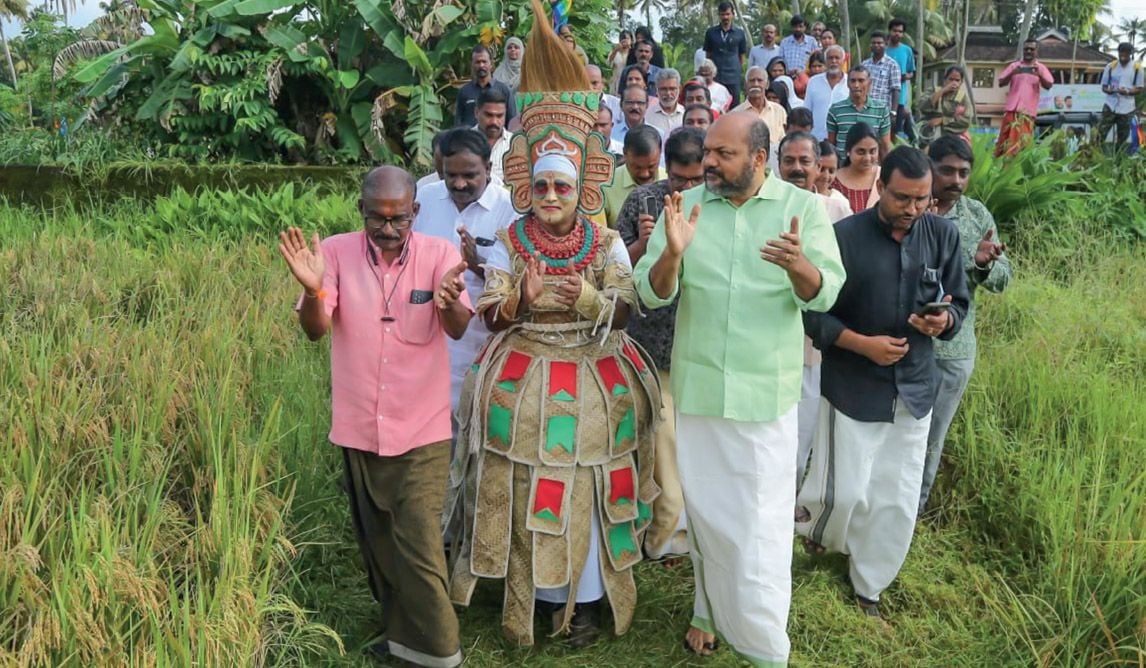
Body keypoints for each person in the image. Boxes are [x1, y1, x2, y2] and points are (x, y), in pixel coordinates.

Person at [445, 7, 660, 648]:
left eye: (561, 186)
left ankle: (588, 602)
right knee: (524, 475)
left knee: (589, 480)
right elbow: (492, 310)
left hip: (596, 368)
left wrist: (592, 297)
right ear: (527, 185)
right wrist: (520, 299)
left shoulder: (606, 239)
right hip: (522, 366)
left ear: (580, 188)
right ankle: (536, 598)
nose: (550, 195)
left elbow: (626, 310)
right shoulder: (512, 238)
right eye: (539, 184)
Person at [633, 110, 845, 667]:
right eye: (706, 152)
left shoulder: (803, 210)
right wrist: (673, 255)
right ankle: (707, 610)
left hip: (765, 397)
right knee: (707, 515)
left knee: (761, 525)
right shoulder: (686, 209)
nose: (707, 162)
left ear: (757, 157)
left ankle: (764, 643)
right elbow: (650, 294)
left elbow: (824, 296)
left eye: (721, 154)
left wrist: (800, 266)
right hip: (699, 389)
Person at [279, 165, 471, 668]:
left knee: (421, 544)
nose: (388, 230)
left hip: (423, 429)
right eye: (377, 219)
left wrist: (449, 303)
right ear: (361, 211)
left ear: (416, 213)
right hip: (361, 424)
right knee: (378, 543)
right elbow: (317, 330)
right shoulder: (337, 253)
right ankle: (404, 641)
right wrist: (315, 289)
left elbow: (455, 328)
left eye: (399, 219)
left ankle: (443, 652)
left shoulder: (439, 255)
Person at [797, 146, 970, 625]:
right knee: (845, 491)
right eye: (902, 199)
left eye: (922, 200)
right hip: (854, 384)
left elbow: (961, 303)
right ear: (879, 187)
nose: (913, 209)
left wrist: (943, 322)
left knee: (895, 496)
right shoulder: (843, 238)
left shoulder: (943, 235)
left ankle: (869, 584)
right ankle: (820, 533)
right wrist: (861, 344)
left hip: (915, 389)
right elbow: (813, 314)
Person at [615, 128, 707, 560]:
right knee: (661, 452)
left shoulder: (718, 207)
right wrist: (642, 241)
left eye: (696, 179)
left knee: (694, 454)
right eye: (679, 180)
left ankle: (682, 536)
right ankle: (660, 539)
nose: (687, 189)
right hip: (651, 349)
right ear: (666, 170)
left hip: (704, 350)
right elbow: (616, 270)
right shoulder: (642, 202)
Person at [919, 136, 1011, 513]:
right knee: (892, 435)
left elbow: (1004, 279)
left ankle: (913, 514)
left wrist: (983, 265)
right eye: (947, 171)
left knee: (930, 440)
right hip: (901, 344)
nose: (955, 180)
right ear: (930, 168)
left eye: (963, 173)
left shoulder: (976, 216)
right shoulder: (911, 207)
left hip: (952, 352)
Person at [415, 127, 518, 414]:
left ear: (487, 168)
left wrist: (475, 264)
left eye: (469, 175)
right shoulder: (425, 199)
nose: (459, 184)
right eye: (451, 176)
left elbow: (516, 287)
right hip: (425, 342)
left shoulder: (509, 209)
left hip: (481, 344)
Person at [776, 132, 851, 492]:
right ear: (777, 165)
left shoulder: (837, 211)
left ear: (819, 167)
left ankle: (788, 501)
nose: (796, 168)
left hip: (813, 346)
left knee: (803, 430)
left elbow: (841, 278)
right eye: (788, 161)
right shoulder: (768, 208)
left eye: (804, 161)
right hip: (772, 339)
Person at [994, 39, 1053, 158]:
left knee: (1021, 144)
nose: (1029, 51)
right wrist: (1013, 73)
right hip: (1011, 110)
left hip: (1026, 113)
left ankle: (1015, 169)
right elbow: (1001, 82)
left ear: (1037, 51)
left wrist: (1039, 75)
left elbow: (1049, 85)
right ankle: (1000, 170)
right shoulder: (1014, 66)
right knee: (1004, 142)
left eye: (1032, 49)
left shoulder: (1040, 68)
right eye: (1026, 49)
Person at [604, 124, 666, 228]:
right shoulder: (606, 185)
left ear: (660, 153)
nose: (645, 174)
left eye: (651, 166)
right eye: (637, 167)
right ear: (624, 153)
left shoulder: (671, 180)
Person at [827, 65, 892, 160]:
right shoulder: (835, 110)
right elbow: (831, 145)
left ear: (869, 83)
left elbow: (885, 146)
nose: (856, 85)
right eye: (853, 81)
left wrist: (885, 172)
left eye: (861, 81)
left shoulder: (881, 110)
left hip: (870, 167)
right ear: (848, 84)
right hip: (843, 168)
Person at [1096, 43, 1144, 152]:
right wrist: (1112, 90)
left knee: (1122, 137)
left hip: (1127, 108)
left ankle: (1118, 161)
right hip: (1110, 105)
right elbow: (1104, 87)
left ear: (1130, 54)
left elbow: (1139, 88)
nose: (1123, 56)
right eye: (1122, 53)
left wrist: (1127, 91)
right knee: (1100, 134)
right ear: (1118, 53)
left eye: (1126, 54)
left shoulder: (1137, 68)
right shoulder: (1110, 67)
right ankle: (1098, 157)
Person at [457, 45, 517, 128]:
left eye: (484, 62)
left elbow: (512, 123)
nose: (481, 65)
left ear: (491, 64)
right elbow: (458, 123)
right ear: (471, 64)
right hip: (470, 139)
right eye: (477, 62)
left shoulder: (504, 90)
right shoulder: (464, 92)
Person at [704, 1, 749, 103]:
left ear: (733, 14)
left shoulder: (740, 33)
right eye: (723, 14)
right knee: (715, 104)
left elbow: (742, 56)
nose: (725, 17)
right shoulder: (711, 32)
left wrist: (737, 70)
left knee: (734, 106)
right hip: (716, 77)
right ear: (719, 15)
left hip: (733, 77)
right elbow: (708, 56)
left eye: (728, 14)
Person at [832, 122, 882, 214]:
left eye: (872, 151)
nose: (867, 158)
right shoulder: (833, 181)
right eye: (861, 152)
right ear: (848, 151)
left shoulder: (884, 177)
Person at [918, 65, 973, 146]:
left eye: (957, 80)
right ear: (945, 80)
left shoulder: (962, 98)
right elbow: (922, 106)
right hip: (929, 134)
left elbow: (966, 121)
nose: (954, 82)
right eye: (951, 79)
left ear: (961, 82)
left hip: (951, 137)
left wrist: (943, 120)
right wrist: (943, 91)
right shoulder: (933, 90)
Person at [805, 45, 849, 140]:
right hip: (817, 137)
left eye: (837, 58)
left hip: (843, 138)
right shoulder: (813, 81)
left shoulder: (850, 82)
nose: (833, 61)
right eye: (830, 58)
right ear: (825, 61)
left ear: (843, 61)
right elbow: (807, 110)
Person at [860, 31, 901, 129]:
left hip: (882, 111)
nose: (876, 45)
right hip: (865, 109)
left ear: (886, 45)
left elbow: (896, 90)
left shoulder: (892, 65)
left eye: (879, 43)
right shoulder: (864, 65)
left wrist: (893, 112)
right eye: (873, 43)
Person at [885, 19, 916, 142]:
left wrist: (903, 77)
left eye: (900, 31)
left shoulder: (907, 50)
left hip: (899, 98)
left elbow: (911, 72)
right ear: (890, 31)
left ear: (903, 34)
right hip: (883, 96)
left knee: (895, 130)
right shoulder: (883, 49)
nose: (897, 34)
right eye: (894, 31)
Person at [474, 87, 512, 183]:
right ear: (477, 112)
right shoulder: (462, 142)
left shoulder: (516, 144)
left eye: (499, 116)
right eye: (488, 115)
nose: (494, 122)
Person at [645, 68, 685, 135]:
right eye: (663, 89)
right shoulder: (647, 115)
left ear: (679, 89)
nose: (668, 93)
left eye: (672, 89)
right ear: (656, 90)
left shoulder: (685, 114)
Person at [815, 138, 850, 209]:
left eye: (831, 171)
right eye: (821, 169)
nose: (826, 176)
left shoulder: (840, 202)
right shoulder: (799, 197)